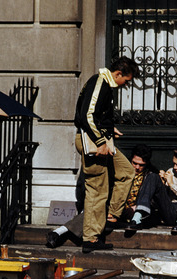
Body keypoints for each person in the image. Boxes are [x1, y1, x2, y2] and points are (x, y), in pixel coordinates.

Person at [73, 56, 139, 253]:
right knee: (97, 189)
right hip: (94, 142)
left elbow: (95, 115)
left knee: (127, 171)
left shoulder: (103, 84)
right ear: (118, 74)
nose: (125, 85)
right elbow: (86, 115)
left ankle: (111, 216)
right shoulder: (99, 82)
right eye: (126, 80)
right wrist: (101, 141)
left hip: (102, 139)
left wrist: (110, 128)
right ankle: (90, 239)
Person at [46, 144, 156, 248]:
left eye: (141, 165)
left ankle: (60, 232)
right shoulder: (121, 172)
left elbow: (153, 198)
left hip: (135, 218)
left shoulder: (150, 176)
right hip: (116, 213)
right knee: (96, 211)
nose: (137, 167)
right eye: (134, 163)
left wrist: (136, 209)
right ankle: (58, 232)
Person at [125, 146, 177, 235]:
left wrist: (172, 184)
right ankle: (137, 218)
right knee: (153, 177)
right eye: (174, 164)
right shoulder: (171, 172)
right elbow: (165, 200)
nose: (175, 167)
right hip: (172, 212)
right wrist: (161, 185)